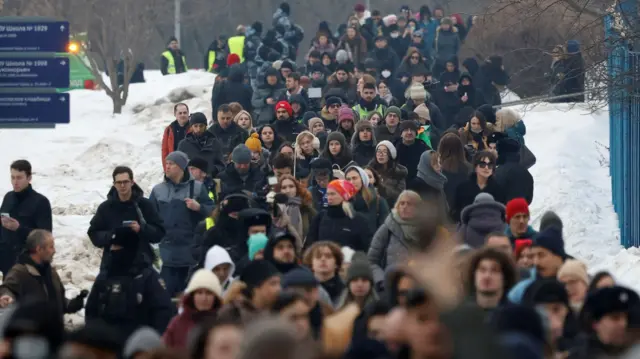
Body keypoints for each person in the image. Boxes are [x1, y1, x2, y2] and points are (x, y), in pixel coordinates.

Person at [150, 151, 215, 297]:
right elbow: (149, 216)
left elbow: (212, 210)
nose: (167, 167)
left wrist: (199, 208)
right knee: (165, 298)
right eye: (166, 163)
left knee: (188, 298)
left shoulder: (198, 188)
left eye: (171, 164)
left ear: (181, 167)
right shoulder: (158, 190)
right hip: (166, 254)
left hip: (190, 254)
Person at [88, 166, 165, 271]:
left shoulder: (145, 205)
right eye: (119, 182)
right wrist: (112, 236)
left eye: (125, 182)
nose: (122, 185)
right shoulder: (105, 208)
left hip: (141, 267)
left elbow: (159, 233)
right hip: (113, 267)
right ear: (114, 184)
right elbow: (93, 233)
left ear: (132, 182)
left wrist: (141, 229)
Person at [0, 230, 87, 317]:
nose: (54, 251)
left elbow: (57, 301)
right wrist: (7, 296)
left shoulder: (51, 272)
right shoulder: (20, 272)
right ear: (39, 249)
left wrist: (72, 304)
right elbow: (8, 288)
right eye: (51, 247)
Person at [0, 160, 52, 276]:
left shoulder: (40, 202)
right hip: (7, 262)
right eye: (12, 178)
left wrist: (19, 228)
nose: (15, 182)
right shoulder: (8, 197)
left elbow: (46, 236)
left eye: (19, 178)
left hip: (29, 265)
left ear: (29, 178)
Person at [161, 103, 190, 171]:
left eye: (185, 113)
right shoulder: (169, 129)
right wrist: (167, 170)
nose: (183, 115)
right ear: (175, 114)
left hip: (189, 167)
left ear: (188, 113)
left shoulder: (194, 128)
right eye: (180, 113)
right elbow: (165, 151)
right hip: (174, 167)